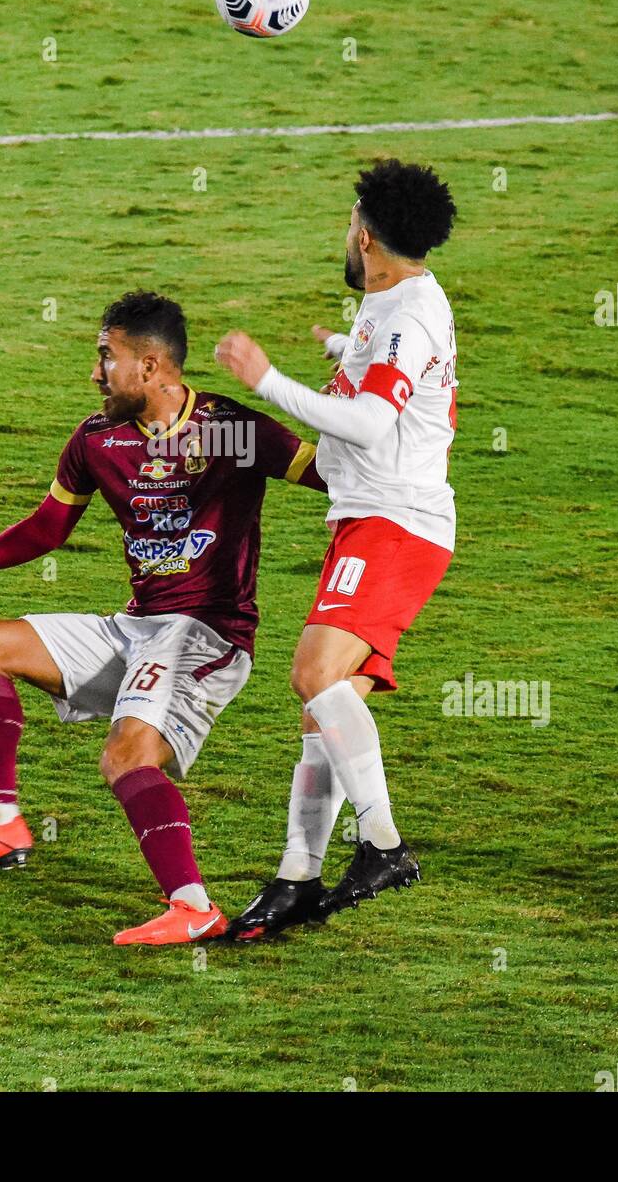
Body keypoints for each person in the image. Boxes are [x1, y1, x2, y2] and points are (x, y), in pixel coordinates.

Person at [0, 290, 324, 945]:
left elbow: (332, 475)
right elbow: (49, 527)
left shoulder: (231, 430)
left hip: (205, 636)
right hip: (137, 627)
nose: (95, 374)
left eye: (107, 358)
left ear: (152, 368)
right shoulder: (97, 439)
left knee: (127, 756)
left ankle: (192, 906)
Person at [213, 159, 458, 940]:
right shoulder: (396, 302)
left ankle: (384, 847)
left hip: (396, 522)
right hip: (374, 519)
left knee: (314, 676)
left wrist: (267, 378)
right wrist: (340, 349)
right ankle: (296, 877)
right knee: (329, 709)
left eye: (347, 221)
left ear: (366, 236)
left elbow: (370, 424)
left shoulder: (401, 318)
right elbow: (388, 378)